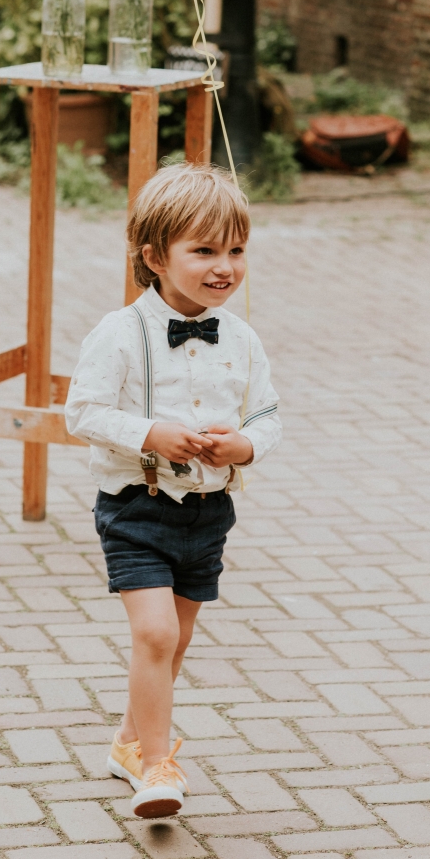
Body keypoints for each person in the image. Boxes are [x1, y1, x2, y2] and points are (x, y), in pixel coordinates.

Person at [66, 162, 282, 819]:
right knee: (155, 634)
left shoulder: (241, 338)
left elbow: (267, 415)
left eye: (236, 250)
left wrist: (242, 445)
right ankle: (158, 766)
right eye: (205, 250)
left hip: (209, 513)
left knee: (176, 640)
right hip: (138, 506)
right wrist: (149, 433)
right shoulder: (120, 332)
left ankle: (130, 741)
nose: (225, 267)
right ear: (155, 255)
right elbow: (82, 412)